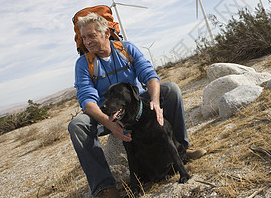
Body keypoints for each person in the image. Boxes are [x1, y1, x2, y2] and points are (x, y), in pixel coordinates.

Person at [68, 12, 205, 198]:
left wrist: (155, 102)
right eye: (84, 37)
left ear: (106, 33)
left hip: (136, 106)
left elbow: (150, 76)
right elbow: (87, 101)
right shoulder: (84, 64)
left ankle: (181, 149)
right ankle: (105, 187)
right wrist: (110, 124)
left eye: (91, 35)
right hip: (106, 112)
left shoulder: (127, 49)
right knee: (77, 126)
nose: (87, 42)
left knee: (170, 90)